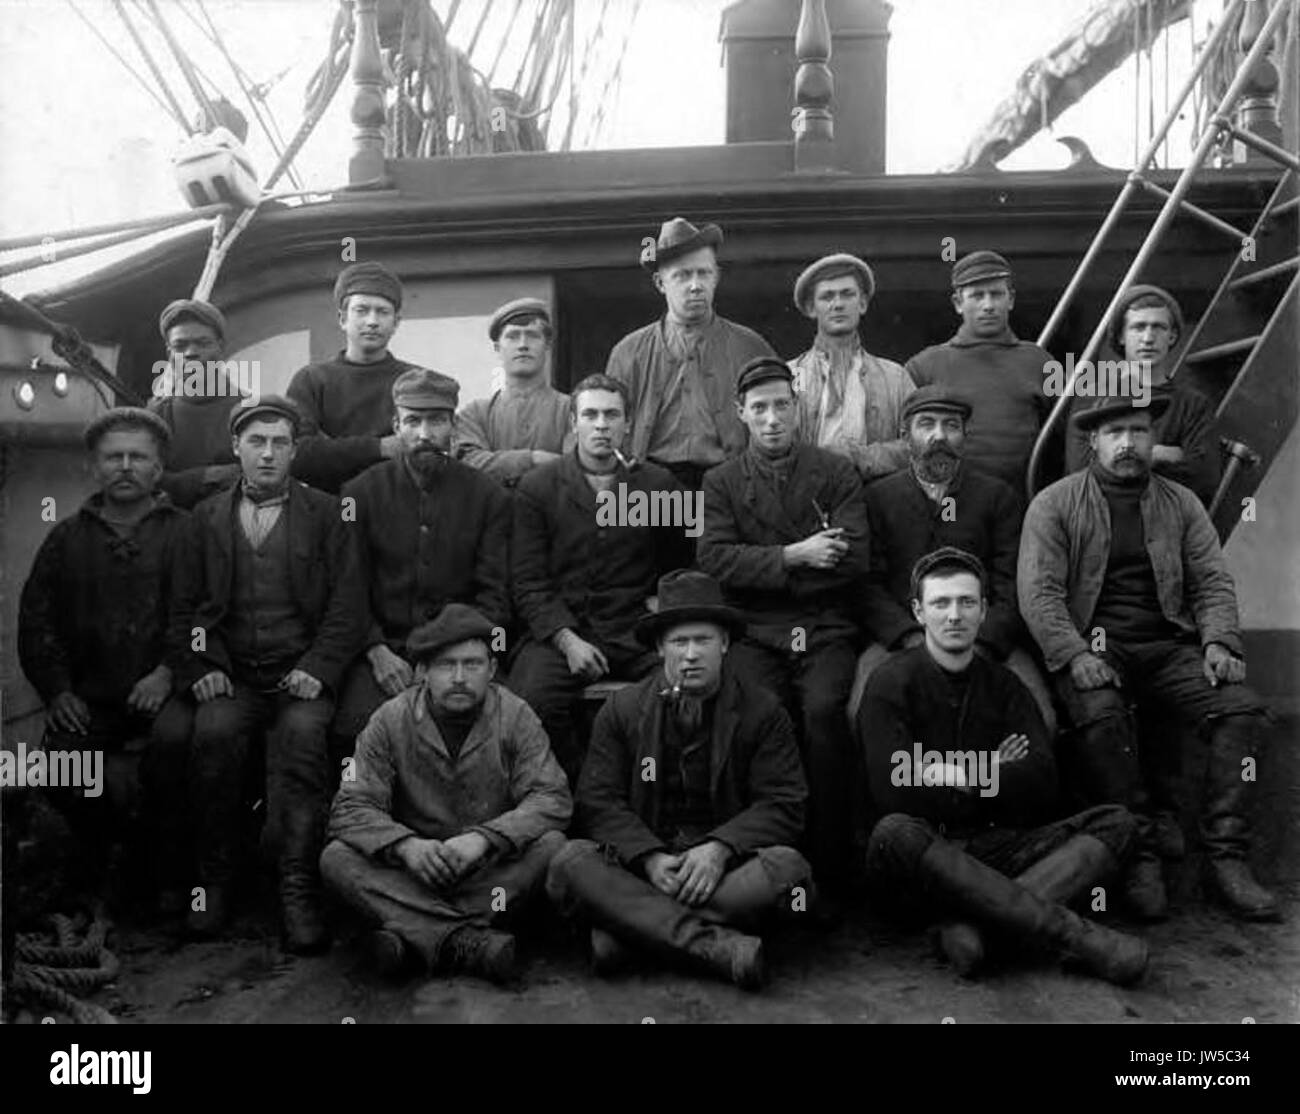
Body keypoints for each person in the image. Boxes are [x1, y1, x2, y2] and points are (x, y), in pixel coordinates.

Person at [1019, 395, 1280, 923]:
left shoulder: (1181, 503)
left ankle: (1224, 858)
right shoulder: (1055, 503)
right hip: (1093, 644)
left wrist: (1218, 642)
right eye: (1114, 434)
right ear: (1093, 442)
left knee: (1240, 710)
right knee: (1100, 714)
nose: (1128, 444)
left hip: (1167, 646)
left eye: (1138, 433)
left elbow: (1211, 581)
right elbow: (1039, 593)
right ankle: (1138, 852)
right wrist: (1072, 655)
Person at [858, 547, 1148, 985]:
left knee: (1118, 823)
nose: (954, 615)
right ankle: (1073, 935)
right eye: (940, 603)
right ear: (919, 611)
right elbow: (894, 787)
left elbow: (1041, 781)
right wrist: (992, 768)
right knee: (894, 830)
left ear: (983, 611)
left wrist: (937, 771)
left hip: (994, 848)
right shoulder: (889, 684)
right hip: (922, 860)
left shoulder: (1005, 685)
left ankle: (978, 932)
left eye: (966, 603)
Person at [546, 571, 813, 990]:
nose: (691, 654)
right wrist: (649, 858)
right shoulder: (622, 709)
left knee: (789, 871)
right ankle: (717, 947)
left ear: (724, 644)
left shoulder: (763, 711)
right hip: (645, 869)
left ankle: (632, 933)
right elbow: (598, 801)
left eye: (703, 640)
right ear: (658, 647)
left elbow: (784, 804)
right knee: (568, 862)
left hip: (723, 874)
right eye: (678, 642)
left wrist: (720, 848)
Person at [172, 395, 367, 951]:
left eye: (280, 443)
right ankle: (214, 885)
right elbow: (182, 610)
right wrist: (200, 663)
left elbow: (348, 609)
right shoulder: (205, 517)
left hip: (298, 678)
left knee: (305, 745)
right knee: (212, 738)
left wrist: (318, 668)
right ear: (236, 447)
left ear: (295, 451)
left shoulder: (330, 513)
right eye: (256, 442)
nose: (267, 454)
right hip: (232, 675)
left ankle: (298, 888)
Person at [321, 604, 571, 984]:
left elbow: (552, 798)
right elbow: (350, 806)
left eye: (472, 664)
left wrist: (485, 839)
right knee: (336, 858)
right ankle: (466, 940)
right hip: (413, 873)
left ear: (491, 670)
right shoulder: (388, 719)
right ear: (421, 672)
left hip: (488, 875)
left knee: (553, 845)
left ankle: (413, 932)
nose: (459, 677)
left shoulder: (517, 715)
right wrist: (406, 847)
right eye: (445, 665)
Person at [698, 356, 868, 894]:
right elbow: (716, 560)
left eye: (781, 406)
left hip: (824, 629)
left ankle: (831, 865)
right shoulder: (721, 481)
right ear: (741, 414)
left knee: (823, 714)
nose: (772, 418)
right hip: (755, 630)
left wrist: (763, 569)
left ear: (797, 409)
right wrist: (795, 556)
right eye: (760, 408)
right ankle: (760, 857)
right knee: (755, 716)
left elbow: (856, 558)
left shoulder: (835, 471)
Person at [18, 407, 193, 910]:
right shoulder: (66, 537)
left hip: (165, 696)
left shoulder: (186, 533)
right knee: (61, 769)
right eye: (113, 457)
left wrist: (167, 672)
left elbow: (200, 617)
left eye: (138, 457)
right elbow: (37, 621)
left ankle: (160, 873)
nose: (124, 466)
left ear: (158, 469)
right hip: (88, 699)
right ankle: (97, 863)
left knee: (176, 756)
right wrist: (57, 691)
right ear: (94, 467)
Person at [510, 374, 690, 782]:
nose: (601, 424)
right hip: (560, 632)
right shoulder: (537, 488)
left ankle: (645, 792)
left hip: (634, 629)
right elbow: (527, 582)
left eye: (612, 415)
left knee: (681, 688)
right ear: (573, 423)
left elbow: (685, 561)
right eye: (590, 414)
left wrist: (665, 604)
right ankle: (574, 793)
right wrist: (567, 639)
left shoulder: (658, 486)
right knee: (533, 701)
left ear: (627, 423)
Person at [855, 386, 1055, 732]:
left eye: (951, 425)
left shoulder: (998, 497)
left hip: (983, 639)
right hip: (902, 638)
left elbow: (1013, 584)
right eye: (926, 424)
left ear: (966, 435)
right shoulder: (877, 499)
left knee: (1042, 721)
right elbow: (867, 586)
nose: (938, 436)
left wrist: (981, 642)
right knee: (860, 714)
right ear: (906, 435)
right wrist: (911, 640)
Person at [333, 368, 511, 751]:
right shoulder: (357, 495)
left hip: (458, 648)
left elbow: (494, 594)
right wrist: (376, 651)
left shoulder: (488, 496)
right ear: (396, 425)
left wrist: (445, 657)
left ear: (453, 425)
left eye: (437, 420)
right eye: (413, 421)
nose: (425, 434)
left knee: (486, 730)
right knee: (353, 728)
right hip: (381, 649)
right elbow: (348, 588)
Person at [605, 217, 776, 490]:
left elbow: (779, 417)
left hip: (733, 483)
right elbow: (610, 427)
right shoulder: (628, 353)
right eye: (682, 275)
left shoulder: (752, 347)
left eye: (703, 273)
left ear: (716, 276)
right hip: (650, 485)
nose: (695, 285)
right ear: (661, 283)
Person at [905, 250, 1053, 493]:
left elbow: (1063, 437)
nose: (988, 305)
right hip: (949, 501)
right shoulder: (924, 366)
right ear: (958, 303)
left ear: (1011, 299)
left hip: (1023, 499)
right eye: (977, 296)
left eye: (996, 294)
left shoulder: (1040, 362)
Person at [1064, 284, 1220, 506]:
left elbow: (1204, 479)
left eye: (1158, 327)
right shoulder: (1093, 396)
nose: (1148, 338)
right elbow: (1081, 471)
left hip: (1168, 523)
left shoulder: (1193, 405)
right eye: (1138, 327)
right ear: (1121, 337)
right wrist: (1161, 453)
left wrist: (1124, 460)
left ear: (1172, 336)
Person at [286, 262, 422, 493]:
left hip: (399, 507)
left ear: (396, 322)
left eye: (382, 312)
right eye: (361, 310)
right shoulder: (312, 380)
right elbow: (296, 454)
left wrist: (333, 451)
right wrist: (379, 448)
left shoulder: (415, 381)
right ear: (342, 318)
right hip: (331, 510)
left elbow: (425, 451)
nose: (372, 321)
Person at [787, 252, 915, 480]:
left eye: (847, 295)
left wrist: (859, 458)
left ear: (863, 303)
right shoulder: (792, 374)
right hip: (808, 495)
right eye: (827, 297)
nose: (837, 304)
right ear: (811, 308)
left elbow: (917, 443)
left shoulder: (894, 377)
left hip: (875, 494)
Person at [454, 297, 572, 486]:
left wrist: (498, 463)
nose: (523, 345)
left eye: (533, 336)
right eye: (513, 336)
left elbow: (574, 470)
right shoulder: (475, 414)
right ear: (497, 347)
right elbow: (467, 465)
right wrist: (533, 459)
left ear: (547, 345)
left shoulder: (573, 410)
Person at [148, 298, 246, 508]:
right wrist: (206, 478)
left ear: (220, 348)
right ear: (169, 354)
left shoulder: (249, 410)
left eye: (203, 343)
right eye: (180, 346)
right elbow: (146, 479)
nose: (191, 353)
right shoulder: (156, 415)